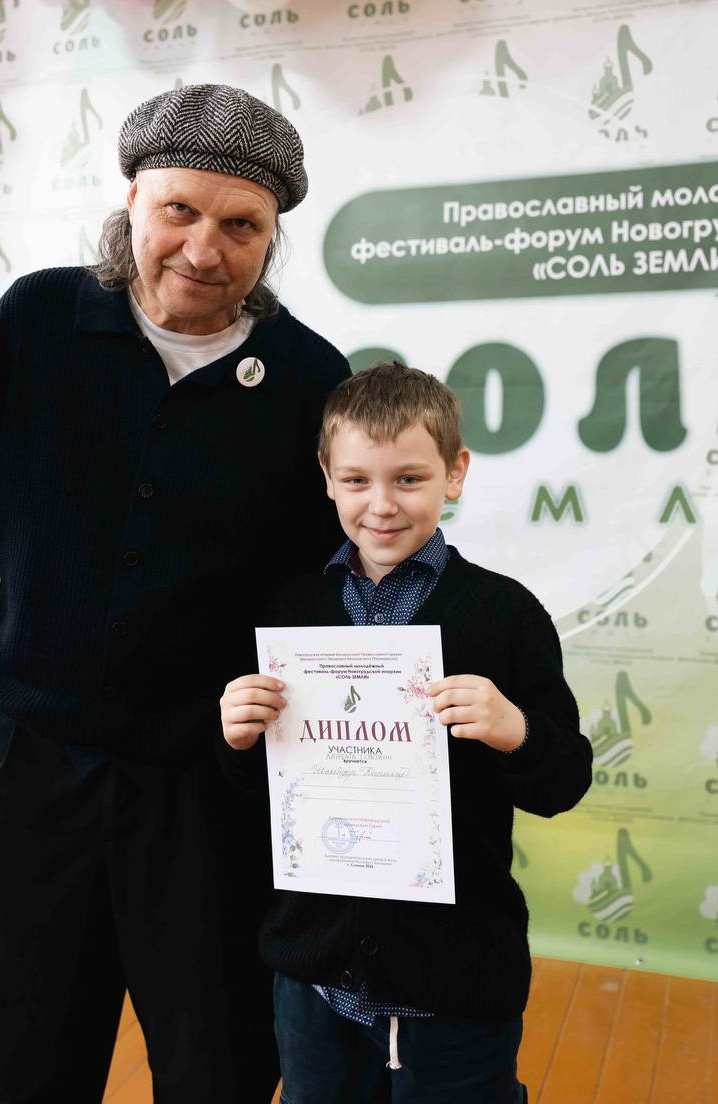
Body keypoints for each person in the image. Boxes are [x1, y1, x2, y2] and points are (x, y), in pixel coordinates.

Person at [0, 83, 350, 1104]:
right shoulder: (38, 316)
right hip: (39, 751)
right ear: (132, 202)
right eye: (179, 211)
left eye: (241, 226)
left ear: (271, 237)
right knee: (15, 1041)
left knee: (215, 1046)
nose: (204, 249)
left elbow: (316, 580)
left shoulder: (308, 375)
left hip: (207, 773)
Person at [220, 362, 593, 1104]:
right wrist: (236, 740)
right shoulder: (289, 610)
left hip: (454, 981)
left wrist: (515, 730)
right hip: (315, 977)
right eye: (356, 480)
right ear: (326, 478)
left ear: (455, 473)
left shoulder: (504, 614)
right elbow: (260, 793)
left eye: (409, 479)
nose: (382, 505)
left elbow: (565, 780)